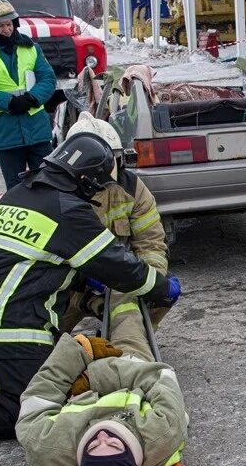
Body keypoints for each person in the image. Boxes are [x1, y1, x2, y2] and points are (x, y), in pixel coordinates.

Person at [0, 133, 182, 446]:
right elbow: (122, 267)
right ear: (85, 180)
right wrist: (161, 288)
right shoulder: (68, 210)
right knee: (32, 407)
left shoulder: (19, 195)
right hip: (15, 325)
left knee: (29, 383)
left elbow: (39, 262)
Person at [16, 333, 189, 466]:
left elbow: (39, 394)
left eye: (93, 446)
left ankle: (88, 304)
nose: (102, 437)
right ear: (131, 451)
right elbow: (160, 378)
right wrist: (95, 376)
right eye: (114, 444)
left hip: (73, 384)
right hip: (128, 369)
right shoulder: (163, 429)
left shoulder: (45, 444)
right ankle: (123, 305)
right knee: (128, 330)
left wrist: (78, 351)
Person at [58, 113, 170, 360]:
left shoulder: (132, 188)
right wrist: (87, 286)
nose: (107, 168)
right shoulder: (58, 194)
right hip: (66, 286)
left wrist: (152, 279)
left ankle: (130, 346)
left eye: (113, 159)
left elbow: (151, 241)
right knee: (43, 351)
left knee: (160, 292)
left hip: (120, 279)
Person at [0, 0, 57, 190]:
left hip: (37, 130)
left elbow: (48, 79)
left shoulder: (32, 49)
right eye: (0, 26)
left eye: (9, 24)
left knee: (47, 185)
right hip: (6, 132)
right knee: (16, 190)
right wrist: (10, 102)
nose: (6, 29)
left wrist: (31, 98)